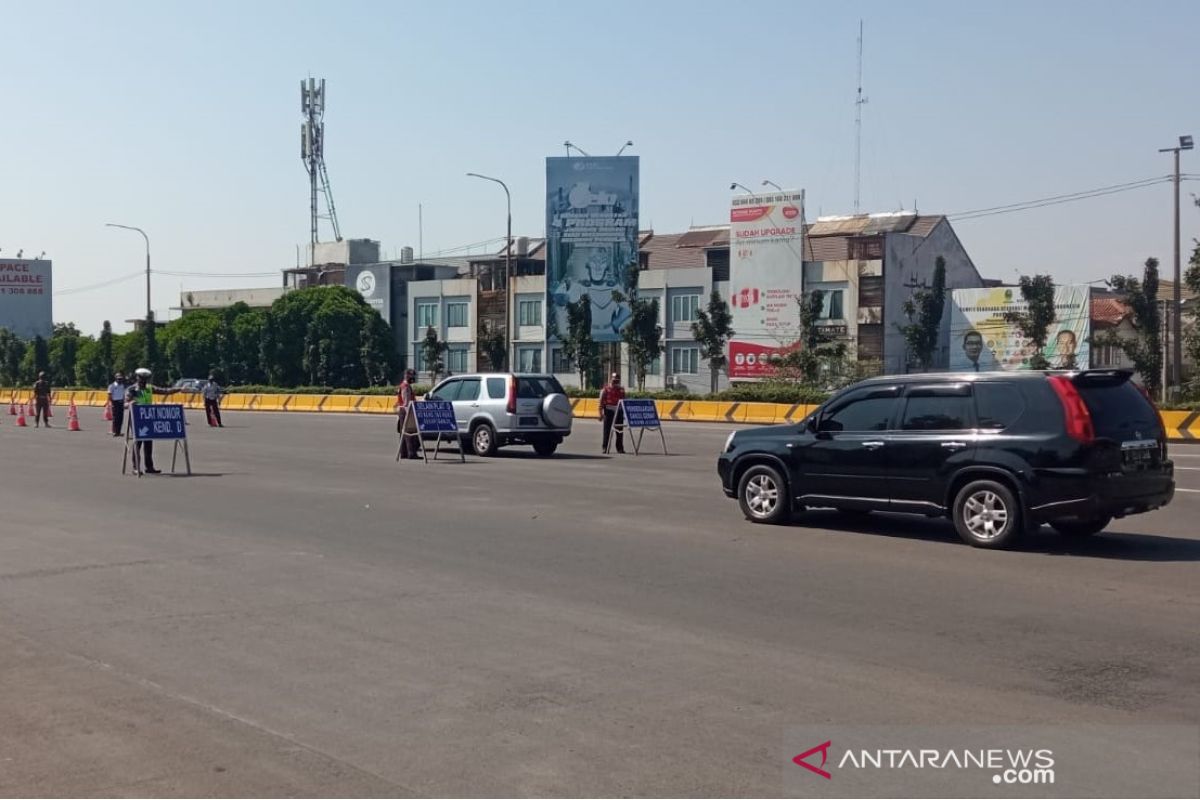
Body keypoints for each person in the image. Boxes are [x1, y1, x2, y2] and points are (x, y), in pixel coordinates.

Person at [125, 367, 181, 474]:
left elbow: (165, 391)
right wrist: (130, 403)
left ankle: (149, 467)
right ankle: (136, 467)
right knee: (137, 443)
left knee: (148, 444)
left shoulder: (150, 388)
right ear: (137, 378)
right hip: (137, 419)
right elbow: (125, 403)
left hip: (149, 418)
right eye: (141, 379)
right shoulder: (132, 389)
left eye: (145, 379)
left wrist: (178, 389)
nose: (143, 381)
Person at [599, 372, 626, 454]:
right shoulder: (605, 390)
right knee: (607, 431)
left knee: (619, 431)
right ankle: (605, 447)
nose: (615, 382)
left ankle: (620, 448)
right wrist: (600, 414)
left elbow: (624, 401)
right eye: (614, 380)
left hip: (619, 412)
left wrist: (625, 413)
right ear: (611, 380)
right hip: (608, 411)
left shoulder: (621, 390)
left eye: (617, 381)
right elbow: (601, 402)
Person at [396, 368, 419, 459]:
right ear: (407, 375)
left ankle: (404, 453)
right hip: (406, 411)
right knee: (410, 433)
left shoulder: (403, 385)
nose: (413, 378)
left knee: (403, 433)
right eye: (412, 376)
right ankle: (411, 453)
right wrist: (410, 413)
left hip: (403, 411)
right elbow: (407, 402)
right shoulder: (406, 386)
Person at [108, 372, 127, 436]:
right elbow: (110, 395)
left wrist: (124, 402)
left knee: (120, 418)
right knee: (115, 418)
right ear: (115, 378)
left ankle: (119, 431)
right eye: (118, 379)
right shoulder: (112, 386)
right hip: (115, 403)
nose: (120, 380)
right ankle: (115, 431)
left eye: (121, 379)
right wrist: (112, 403)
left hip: (121, 403)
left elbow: (124, 395)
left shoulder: (122, 386)